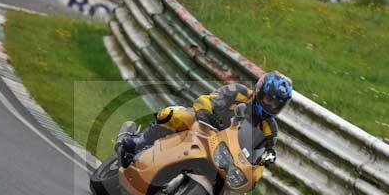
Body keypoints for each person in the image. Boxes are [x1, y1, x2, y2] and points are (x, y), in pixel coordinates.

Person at [116, 71, 293, 168]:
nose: (271, 105)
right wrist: (205, 113)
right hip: (202, 129)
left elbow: (264, 151)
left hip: (224, 156)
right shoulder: (238, 92)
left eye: (277, 103)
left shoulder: (270, 129)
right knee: (180, 115)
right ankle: (137, 142)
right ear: (260, 91)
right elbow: (209, 99)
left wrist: (267, 157)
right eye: (269, 99)